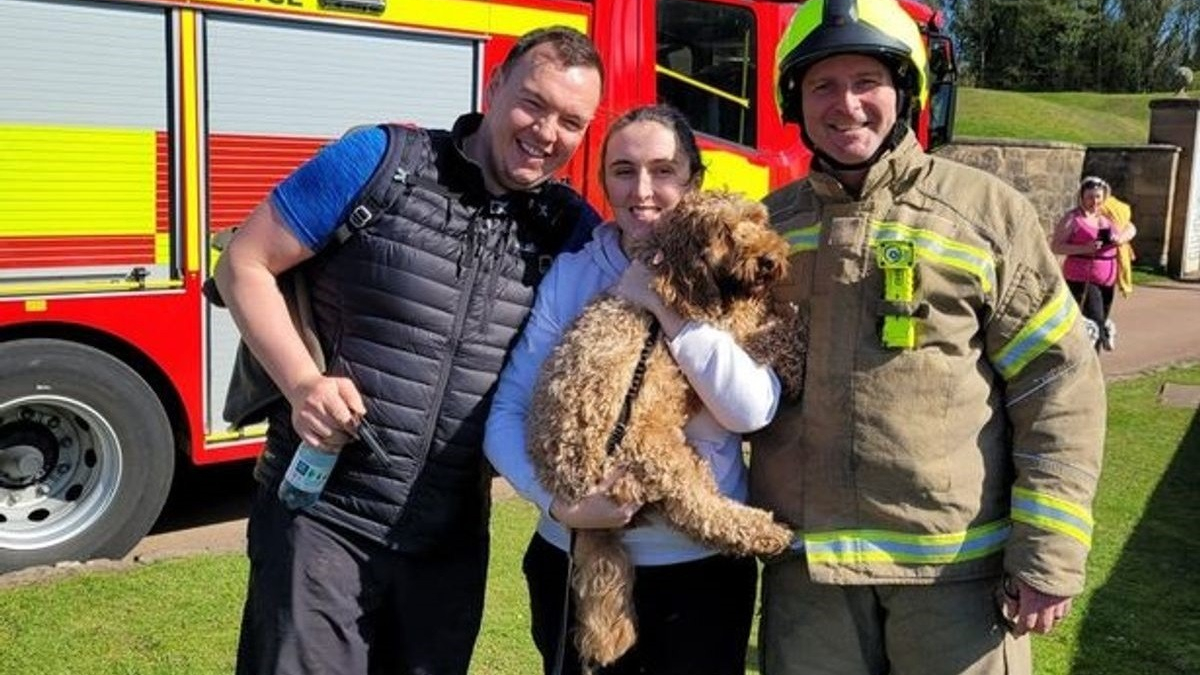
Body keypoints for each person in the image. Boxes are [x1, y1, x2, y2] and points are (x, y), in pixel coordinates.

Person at [213, 26, 604, 675]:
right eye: (533, 103)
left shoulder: (567, 227)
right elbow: (245, 264)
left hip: (449, 542)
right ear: (495, 84)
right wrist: (304, 383)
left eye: (571, 120)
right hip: (321, 516)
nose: (546, 131)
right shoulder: (379, 159)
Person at [749, 1, 1107, 674]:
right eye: (822, 85)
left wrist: (1049, 552)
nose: (846, 104)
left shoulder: (986, 214)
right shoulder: (770, 227)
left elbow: (1057, 383)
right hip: (809, 581)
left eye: (867, 82)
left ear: (906, 92)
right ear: (792, 100)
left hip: (955, 585)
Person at [484, 104, 781, 675]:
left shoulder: (737, 274)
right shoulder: (572, 273)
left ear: (693, 181)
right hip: (573, 556)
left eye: (663, 171)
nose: (643, 190)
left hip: (701, 568)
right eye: (623, 170)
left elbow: (751, 412)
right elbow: (509, 411)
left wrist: (667, 310)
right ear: (603, 182)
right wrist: (561, 504)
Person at [1051, 175, 1138, 351]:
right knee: (1094, 321)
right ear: (1081, 197)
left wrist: (1120, 238)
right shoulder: (1073, 219)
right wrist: (1085, 248)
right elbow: (1056, 246)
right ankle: (1096, 351)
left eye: (1098, 196)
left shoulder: (1107, 216)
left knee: (1100, 319)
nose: (1094, 201)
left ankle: (1098, 346)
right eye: (1090, 197)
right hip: (1083, 277)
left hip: (1107, 278)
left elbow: (1131, 228)